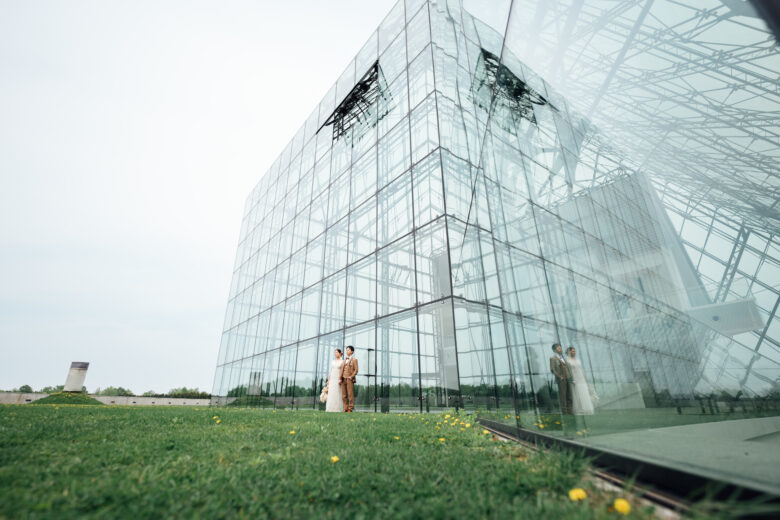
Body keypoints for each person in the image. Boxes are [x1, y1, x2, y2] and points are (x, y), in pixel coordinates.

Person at [566, 346, 597, 415]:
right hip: (574, 379)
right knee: (577, 394)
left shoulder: (578, 360)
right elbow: (567, 372)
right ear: (569, 352)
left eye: (574, 351)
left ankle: (587, 409)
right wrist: (571, 379)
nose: (574, 352)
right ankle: (579, 410)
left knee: (584, 393)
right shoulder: (567, 360)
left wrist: (585, 380)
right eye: (572, 351)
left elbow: (582, 370)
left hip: (581, 379)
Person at [549, 343, 572, 415]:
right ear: (554, 350)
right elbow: (552, 369)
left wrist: (570, 377)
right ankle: (565, 411)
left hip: (567, 378)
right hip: (561, 379)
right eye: (558, 348)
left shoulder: (563, 358)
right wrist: (560, 376)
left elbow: (568, 368)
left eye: (561, 348)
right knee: (563, 396)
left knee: (569, 395)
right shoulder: (553, 358)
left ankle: (570, 410)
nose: (560, 349)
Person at [339, 345, 358, 413]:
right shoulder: (344, 360)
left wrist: (351, 376)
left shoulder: (354, 360)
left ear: (352, 351)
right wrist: (340, 378)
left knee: (350, 394)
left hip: (349, 379)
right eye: (346, 350)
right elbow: (341, 369)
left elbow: (356, 370)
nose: (347, 351)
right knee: (344, 395)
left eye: (348, 350)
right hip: (343, 379)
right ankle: (345, 408)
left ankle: (350, 408)